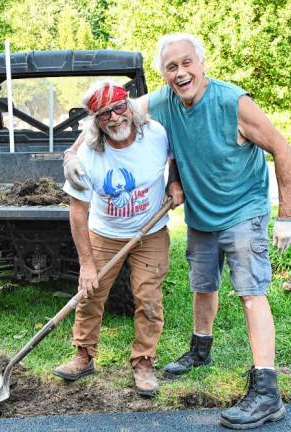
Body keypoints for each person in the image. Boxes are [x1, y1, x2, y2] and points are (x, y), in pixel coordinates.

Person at [63, 33, 291, 430]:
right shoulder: (164, 101)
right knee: (203, 286)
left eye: (187, 63)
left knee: (250, 294)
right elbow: (107, 114)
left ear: (201, 63)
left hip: (243, 211)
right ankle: (200, 350)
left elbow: (282, 147)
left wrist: (287, 215)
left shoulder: (232, 102)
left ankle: (267, 390)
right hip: (202, 217)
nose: (180, 72)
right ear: (164, 75)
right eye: (171, 67)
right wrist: (72, 153)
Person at [55, 80, 172, 397]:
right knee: (90, 294)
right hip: (104, 233)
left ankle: (144, 361)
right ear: (95, 121)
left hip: (151, 231)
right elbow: (78, 212)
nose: (115, 118)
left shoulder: (156, 135)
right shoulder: (89, 156)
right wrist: (87, 265)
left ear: (130, 106)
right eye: (104, 114)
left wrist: (174, 181)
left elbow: (178, 157)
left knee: (148, 298)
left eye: (119, 108)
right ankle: (84, 355)